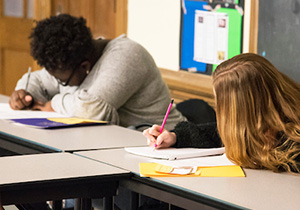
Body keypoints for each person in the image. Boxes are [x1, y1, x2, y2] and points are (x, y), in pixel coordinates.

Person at [9, 14, 186, 130]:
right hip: (120, 148)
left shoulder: (127, 55)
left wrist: (53, 104)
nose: (59, 84)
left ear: (85, 67)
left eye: (63, 82)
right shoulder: (68, 59)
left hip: (168, 148)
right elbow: (39, 80)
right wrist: (25, 93)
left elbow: (93, 109)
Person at [143, 53, 300, 173]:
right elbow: (215, 132)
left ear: (242, 110)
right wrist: (175, 137)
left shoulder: (294, 140)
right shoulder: (262, 122)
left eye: (223, 106)